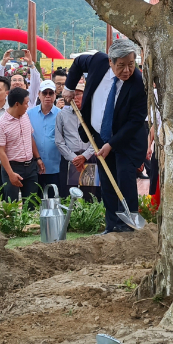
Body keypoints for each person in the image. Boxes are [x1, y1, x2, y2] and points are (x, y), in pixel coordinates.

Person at [66, 40, 149, 233]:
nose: (127, 70)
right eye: (121, 65)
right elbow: (78, 63)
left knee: (124, 178)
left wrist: (112, 144)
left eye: (131, 64)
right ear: (110, 62)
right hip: (99, 136)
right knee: (107, 180)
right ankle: (112, 226)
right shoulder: (97, 62)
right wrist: (69, 87)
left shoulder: (138, 83)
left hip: (126, 140)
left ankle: (127, 226)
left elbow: (135, 121)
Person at [0, 87, 43, 202]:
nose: (27, 106)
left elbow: (30, 137)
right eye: (26, 103)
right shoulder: (0, 124)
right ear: (17, 104)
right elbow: (1, 152)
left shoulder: (25, 116)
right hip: (12, 167)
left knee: (32, 204)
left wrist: (38, 158)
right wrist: (10, 174)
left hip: (30, 167)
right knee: (12, 206)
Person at [28, 80, 61, 194]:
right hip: (33, 167)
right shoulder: (29, 114)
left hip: (55, 166)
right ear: (39, 95)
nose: (47, 96)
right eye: (44, 93)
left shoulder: (61, 115)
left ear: (55, 95)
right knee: (34, 202)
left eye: (50, 93)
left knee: (53, 201)